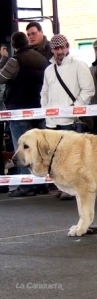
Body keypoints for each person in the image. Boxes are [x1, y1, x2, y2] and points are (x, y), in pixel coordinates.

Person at [40, 34, 95, 199]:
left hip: (70, 119)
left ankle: (71, 189)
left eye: (62, 47)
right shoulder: (49, 69)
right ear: (52, 50)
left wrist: (75, 108)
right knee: (54, 156)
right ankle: (61, 185)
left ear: (67, 47)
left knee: (71, 156)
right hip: (51, 121)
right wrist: (46, 110)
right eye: (56, 48)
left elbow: (88, 89)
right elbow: (45, 92)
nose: (59, 51)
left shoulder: (79, 65)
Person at [0, 32, 49, 197]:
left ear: (14, 46)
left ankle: (26, 186)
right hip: (39, 108)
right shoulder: (42, 59)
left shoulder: (16, 60)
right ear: (27, 41)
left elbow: (2, 77)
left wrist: (4, 59)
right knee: (39, 148)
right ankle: (42, 183)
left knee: (21, 149)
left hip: (19, 110)